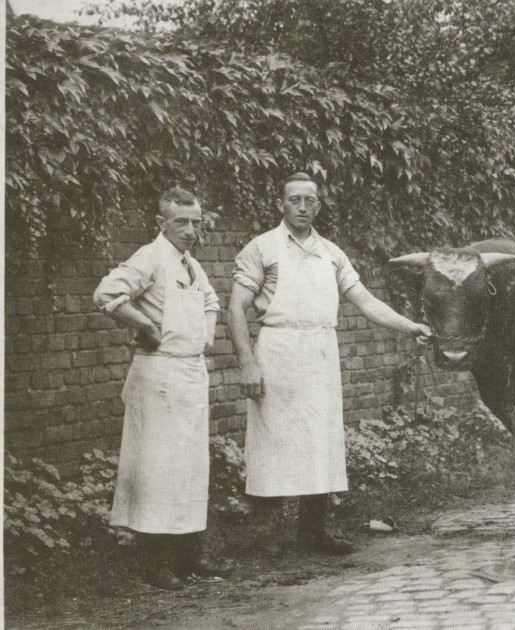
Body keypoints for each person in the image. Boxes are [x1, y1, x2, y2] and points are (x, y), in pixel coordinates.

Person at [228, 172, 432, 555]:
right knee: (273, 443)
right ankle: (266, 536)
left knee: (320, 442)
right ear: (281, 204)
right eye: (294, 200)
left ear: (318, 206)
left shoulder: (332, 253)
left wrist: (410, 326)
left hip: (320, 351)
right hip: (278, 351)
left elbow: (366, 301)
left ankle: (313, 533)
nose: (302, 206)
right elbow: (236, 307)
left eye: (309, 200)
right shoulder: (262, 248)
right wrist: (247, 363)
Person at [94, 187, 232, 589]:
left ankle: (188, 557)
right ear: (161, 223)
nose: (190, 230)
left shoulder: (190, 264)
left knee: (190, 468)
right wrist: (145, 326)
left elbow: (210, 301)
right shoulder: (150, 257)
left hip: (189, 375)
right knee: (157, 470)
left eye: (195, 222)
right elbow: (106, 293)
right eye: (181, 223)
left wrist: (205, 338)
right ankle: (153, 563)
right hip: (157, 376)